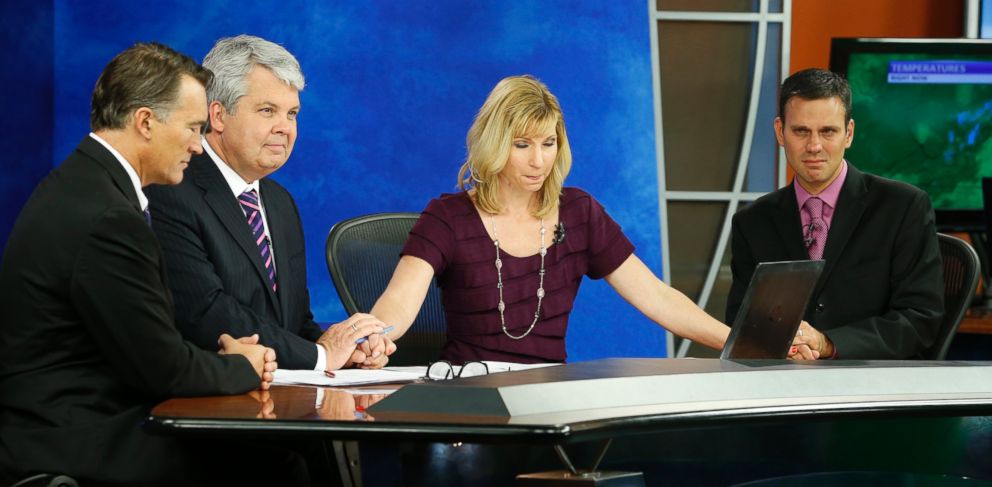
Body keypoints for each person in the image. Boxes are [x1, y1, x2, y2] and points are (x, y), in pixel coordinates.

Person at [0, 42, 310, 486]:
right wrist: (243, 364)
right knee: (278, 467)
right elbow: (163, 368)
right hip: (74, 436)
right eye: (191, 128)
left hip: (74, 421)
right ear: (145, 122)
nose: (198, 146)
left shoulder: (86, 185)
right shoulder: (108, 216)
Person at [367, 75, 730, 364]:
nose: (539, 161)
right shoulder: (447, 217)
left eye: (548, 143)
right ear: (494, 144)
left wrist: (739, 342)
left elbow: (656, 297)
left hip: (549, 402)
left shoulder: (580, 212)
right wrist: (376, 337)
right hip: (468, 397)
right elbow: (399, 301)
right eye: (522, 145)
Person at [147, 35, 393, 373]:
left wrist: (347, 349)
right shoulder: (171, 191)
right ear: (217, 116)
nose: (285, 128)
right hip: (210, 398)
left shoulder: (280, 203)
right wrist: (320, 357)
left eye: (292, 114)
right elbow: (204, 314)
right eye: (267, 111)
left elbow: (294, 322)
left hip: (282, 396)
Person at [727, 68, 943, 360]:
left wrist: (827, 343)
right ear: (780, 132)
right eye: (801, 131)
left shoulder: (903, 207)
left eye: (828, 131)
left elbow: (920, 321)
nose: (814, 146)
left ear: (849, 133)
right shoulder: (752, 222)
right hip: (784, 385)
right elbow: (741, 325)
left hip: (875, 385)